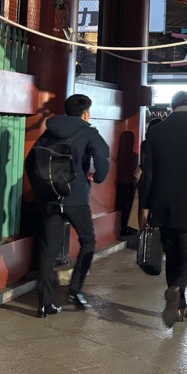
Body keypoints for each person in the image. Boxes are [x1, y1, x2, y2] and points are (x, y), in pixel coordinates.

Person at [138, 90, 187, 326]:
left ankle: (179, 305)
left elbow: (148, 172)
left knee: (171, 252)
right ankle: (177, 288)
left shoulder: (157, 130)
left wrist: (145, 205)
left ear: (171, 107)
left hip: (161, 202)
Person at [29, 93, 110, 317]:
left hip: (50, 198)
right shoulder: (88, 131)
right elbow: (103, 156)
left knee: (47, 251)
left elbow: (31, 161)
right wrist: (98, 176)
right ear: (85, 113)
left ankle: (44, 304)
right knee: (88, 242)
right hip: (75, 198)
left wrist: (41, 189)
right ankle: (75, 289)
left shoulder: (49, 131)